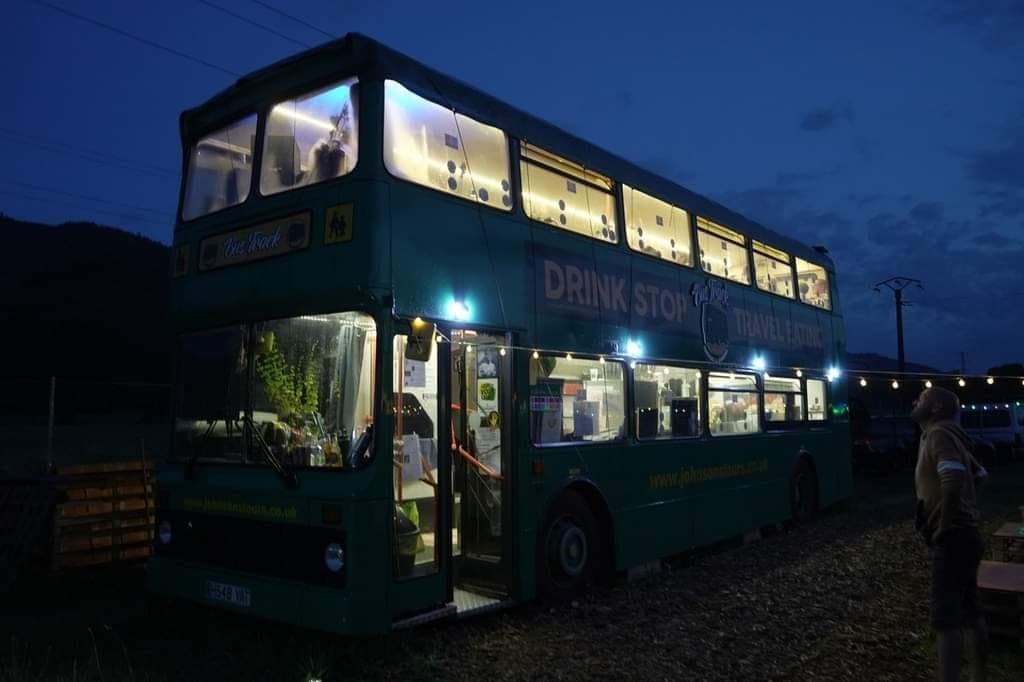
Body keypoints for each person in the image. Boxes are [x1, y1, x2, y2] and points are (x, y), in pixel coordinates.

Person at [911, 386, 988, 682]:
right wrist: (965, 508)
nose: (916, 401)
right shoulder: (951, 435)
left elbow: (953, 479)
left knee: (946, 622)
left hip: (953, 537)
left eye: (923, 398)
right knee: (971, 612)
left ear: (937, 409)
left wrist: (943, 523)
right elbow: (981, 475)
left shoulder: (939, 434)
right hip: (967, 534)